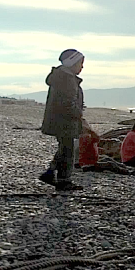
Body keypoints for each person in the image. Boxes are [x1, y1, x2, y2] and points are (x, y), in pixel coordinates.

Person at [39, 49, 96, 191]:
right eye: (80, 64)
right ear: (72, 63)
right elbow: (67, 104)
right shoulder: (67, 79)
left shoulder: (60, 77)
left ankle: (50, 172)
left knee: (64, 148)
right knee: (68, 151)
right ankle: (64, 180)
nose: (82, 67)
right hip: (65, 121)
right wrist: (79, 115)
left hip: (59, 120)